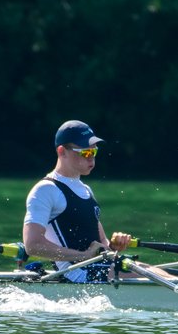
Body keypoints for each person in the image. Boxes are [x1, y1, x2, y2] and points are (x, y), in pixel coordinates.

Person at [22, 120, 136, 283]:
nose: (92, 159)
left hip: (100, 267)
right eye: (86, 153)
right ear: (62, 151)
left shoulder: (86, 190)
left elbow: (102, 243)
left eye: (94, 152)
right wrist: (83, 256)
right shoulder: (45, 190)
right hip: (77, 274)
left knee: (155, 271)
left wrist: (114, 246)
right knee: (157, 276)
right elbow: (32, 245)